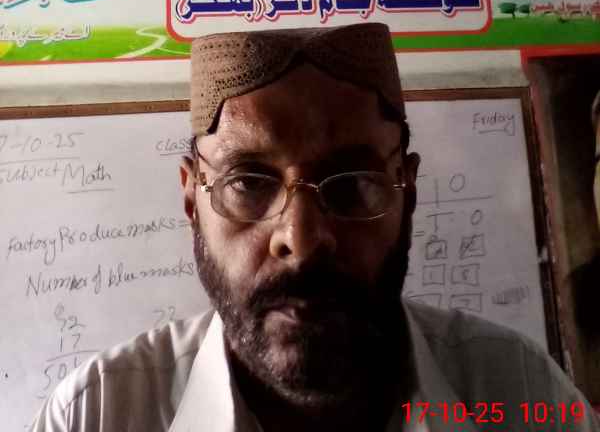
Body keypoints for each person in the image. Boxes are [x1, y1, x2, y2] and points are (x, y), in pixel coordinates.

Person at [31, 24, 600, 431]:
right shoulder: (97, 415)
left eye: (351, 184)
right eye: (249, 183)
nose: (300, 240)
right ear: (191, 200)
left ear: (407, 190)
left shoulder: (522, 395)